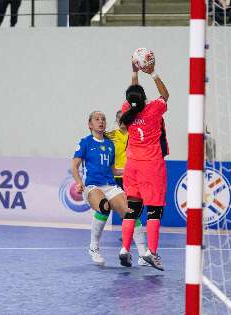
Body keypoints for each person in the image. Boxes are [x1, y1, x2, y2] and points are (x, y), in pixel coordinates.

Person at [119, 56, 169, 271]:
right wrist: (152, 73)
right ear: (144, 97)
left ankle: (124, 249)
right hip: (151, 165)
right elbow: (165, 95)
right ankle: (152, 252)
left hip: (132, 166)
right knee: (154, 211)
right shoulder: (154, 110)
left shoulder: (127, 113)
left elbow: (132, 96)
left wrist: (134, 73)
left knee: (132, 209)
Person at [71, 110, 133, 266]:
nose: (101, 122)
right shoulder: (85, 142)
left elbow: (113, 170)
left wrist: (130, 170)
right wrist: (79, 182)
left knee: (129, 212)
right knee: (104, 207)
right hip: (92, 186)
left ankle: (139, 251)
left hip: (110, 185)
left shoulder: (109, 144)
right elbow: (74, 165)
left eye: (103, 119)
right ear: (90, 124)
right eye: (97, 119)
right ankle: (94, 247)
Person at [105, 111, 149, 267]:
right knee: (104, 211)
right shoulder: (109, 135)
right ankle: (94, 246)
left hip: (132, 179)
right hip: (113, 179)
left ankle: (141, 253)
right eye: (119, 118)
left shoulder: (137, 135)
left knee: (132, 214)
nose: (122, 120)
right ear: (116, 120)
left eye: (125, 117)